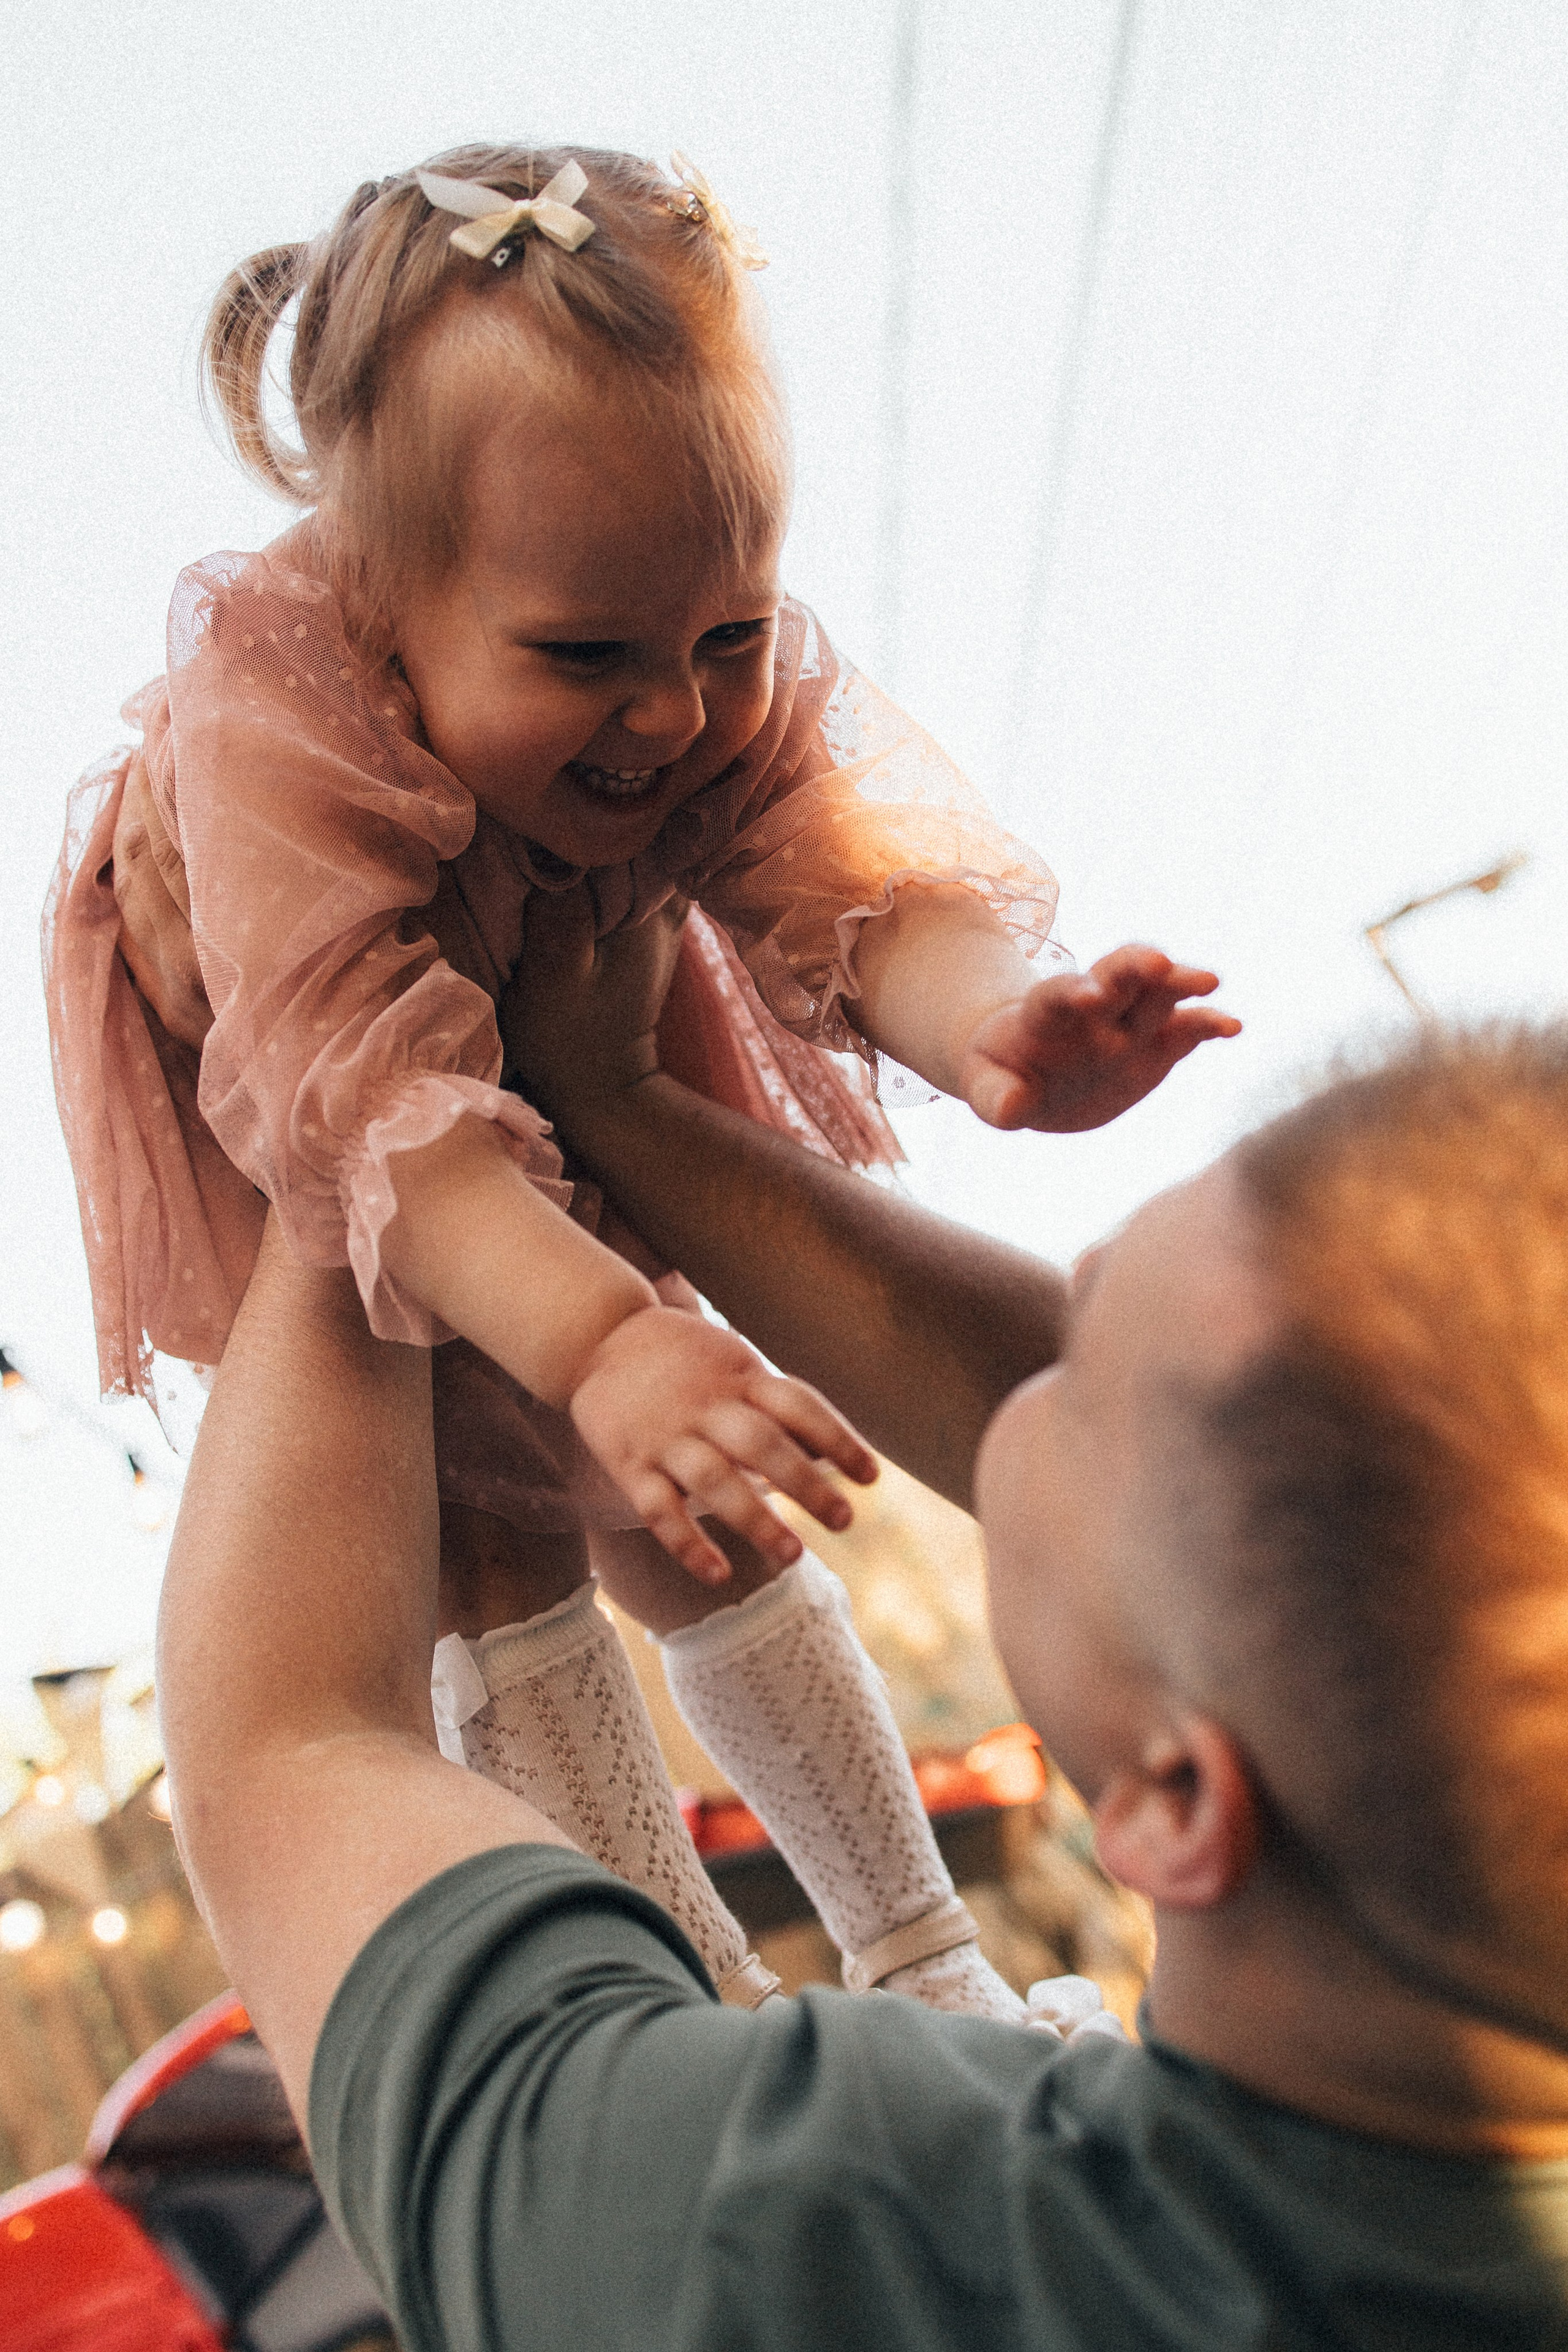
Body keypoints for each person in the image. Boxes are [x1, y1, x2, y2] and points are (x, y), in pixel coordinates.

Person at [43, 142, 1237, 2022]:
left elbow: (840, 868)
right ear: (381, 597)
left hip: (551, 1077)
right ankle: (683, 2006)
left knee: (710, 1505)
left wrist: (998, 1026)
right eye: (587, 656)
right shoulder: (274, 721)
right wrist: (599, 1341)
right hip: (340, 1113)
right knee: (503, 1549)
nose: (676, 710)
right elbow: (373, 1114)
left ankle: (924, 1956)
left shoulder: (670, 655)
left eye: (730, 638)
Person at [157, 902, 1568, 2350]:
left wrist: (343, 1085)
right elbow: (1304, 1514)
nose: (1048, 1321)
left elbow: (290, 1746)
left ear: (1176, 1795)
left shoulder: (838, 2238)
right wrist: (617, 1100)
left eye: (1074, 1393)